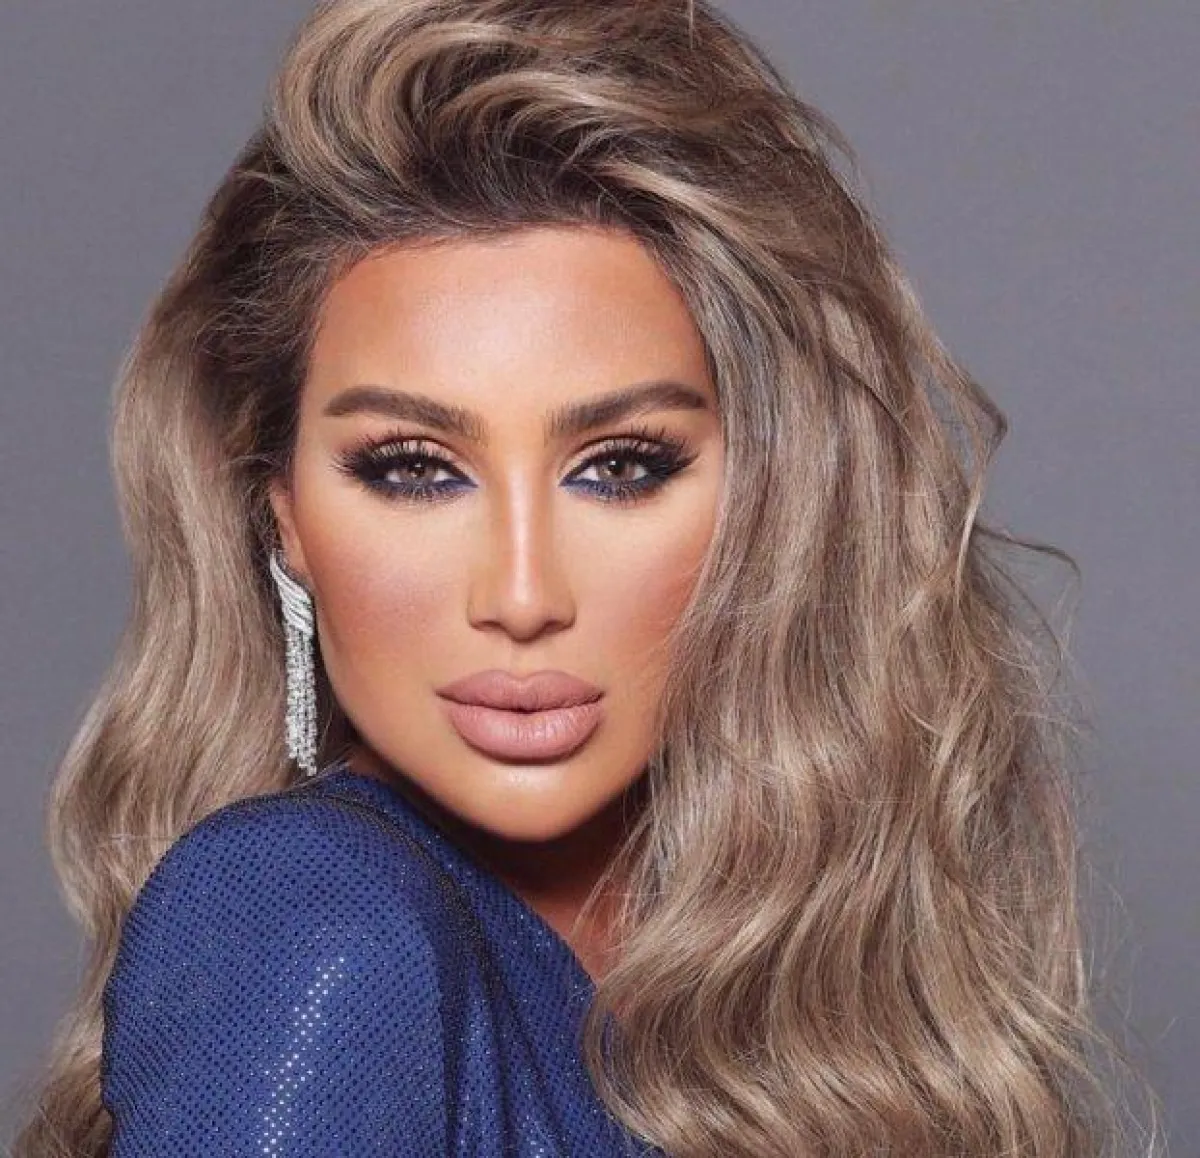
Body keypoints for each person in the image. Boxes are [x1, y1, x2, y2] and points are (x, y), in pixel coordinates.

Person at [11, 1, 1152, 1155]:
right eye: (414, 469)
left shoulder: (769, 988)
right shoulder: (309, 923)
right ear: (286, 519)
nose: (521, 597)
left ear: (773, 495)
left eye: (619, 467)